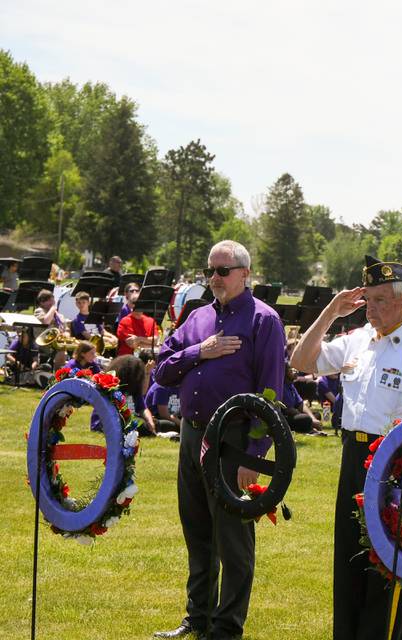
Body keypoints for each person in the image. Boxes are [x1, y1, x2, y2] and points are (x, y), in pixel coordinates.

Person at [289, 255, 402, 640]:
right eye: (368, 299)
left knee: (387, 572)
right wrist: (330, 311)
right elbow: (301, 360)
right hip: (354, 459)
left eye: (380, 299)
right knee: (349, 562)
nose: (371, 308)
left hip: (397, 465)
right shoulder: (359, 339)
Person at [153, 240, 285, 640]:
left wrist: (254, 454)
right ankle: (198, 618)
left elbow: (271, 396)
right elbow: (161, 368)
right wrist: (200, 352)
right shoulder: (196, 318)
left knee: (233, 541)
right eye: (210, 270)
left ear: (246, 274)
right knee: (197, 532)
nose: (214, 278)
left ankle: (226, 628)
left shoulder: (264, 321)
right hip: (193, 435)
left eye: (222, 271)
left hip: (232, 440)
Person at [116, 291, 160, 356]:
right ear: (129, 304)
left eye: (140, 303)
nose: (136, 305)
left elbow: (156, 341)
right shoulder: (125, 321)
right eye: (134, 303)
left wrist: (139, 339)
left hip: (146, 360)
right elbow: (133, 345)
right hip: (128, 360)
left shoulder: (151, 321)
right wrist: (150, 343)